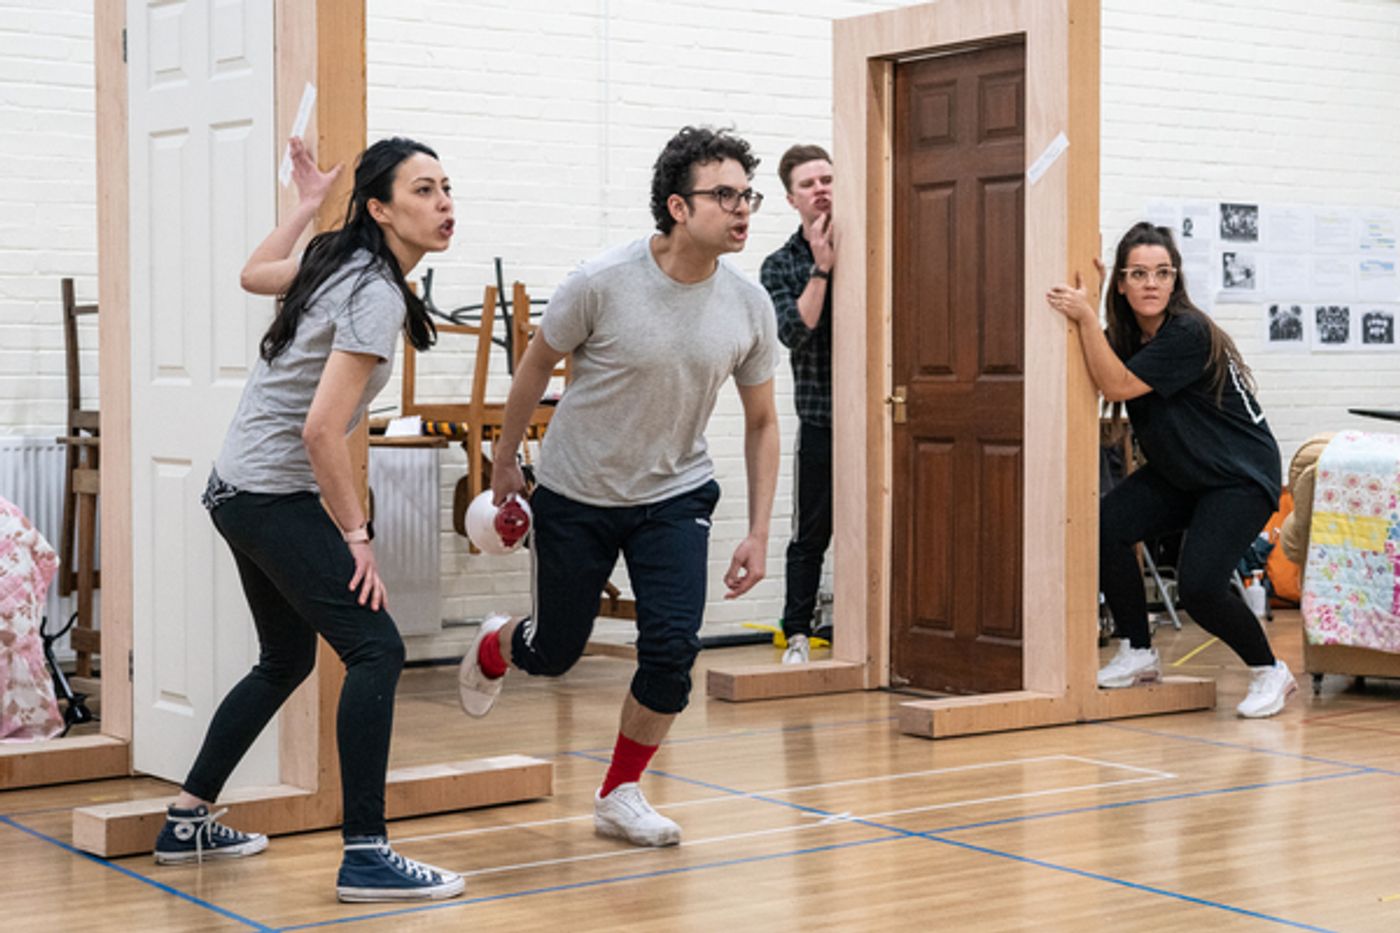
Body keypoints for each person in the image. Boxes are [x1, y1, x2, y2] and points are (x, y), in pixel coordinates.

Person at [151, 136, 465, 902]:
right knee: (376, 648)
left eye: (446, 187)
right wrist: (358, 536)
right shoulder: (373, 288)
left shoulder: (339, 258)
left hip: (238, 488)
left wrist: (305, 208)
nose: (444, 203)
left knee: (285, 658)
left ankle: (187, 818)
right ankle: (366, 855)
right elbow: (321, 430)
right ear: (380, 208)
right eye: (423, 190)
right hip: (268, 494)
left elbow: (254, 271)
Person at [457, 126, 780, 846]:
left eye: (747, 195)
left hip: (676, 495)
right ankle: (497, 644)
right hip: (576, 492)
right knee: (554, 652)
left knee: (672, 651)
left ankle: (619, 792)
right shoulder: (600, 281)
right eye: (724, 195)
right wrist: (505, 460)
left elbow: (762, 422)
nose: (742, 209)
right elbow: (536, 366)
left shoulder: (749, 304)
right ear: (678, 206)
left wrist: (759, 531)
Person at [1046, 221, 1295, 718]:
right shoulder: (1130, 335)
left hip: (1239, 477)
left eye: (1163, 273)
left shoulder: (1187, 332)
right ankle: (1139, 652)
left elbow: (1116, 385)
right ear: (1122, 283)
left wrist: (1086, 316)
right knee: (1106, 527)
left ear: (1175, 279)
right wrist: (1093, 307)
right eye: (1138, 274)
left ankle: (1271, 670)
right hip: (1184, 472)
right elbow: (1104, 367)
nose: (1152, 283)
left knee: (1199, 587)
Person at [760, 145, 834, 665]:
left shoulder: (873, 246)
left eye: (827, 180)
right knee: (810, 533)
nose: (821, 190)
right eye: (808, 184)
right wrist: (822, 269)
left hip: (879, 416)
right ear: (792, 199)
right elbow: (795, 331)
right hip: (822, 418)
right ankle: (798, 634)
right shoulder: (780, 264)